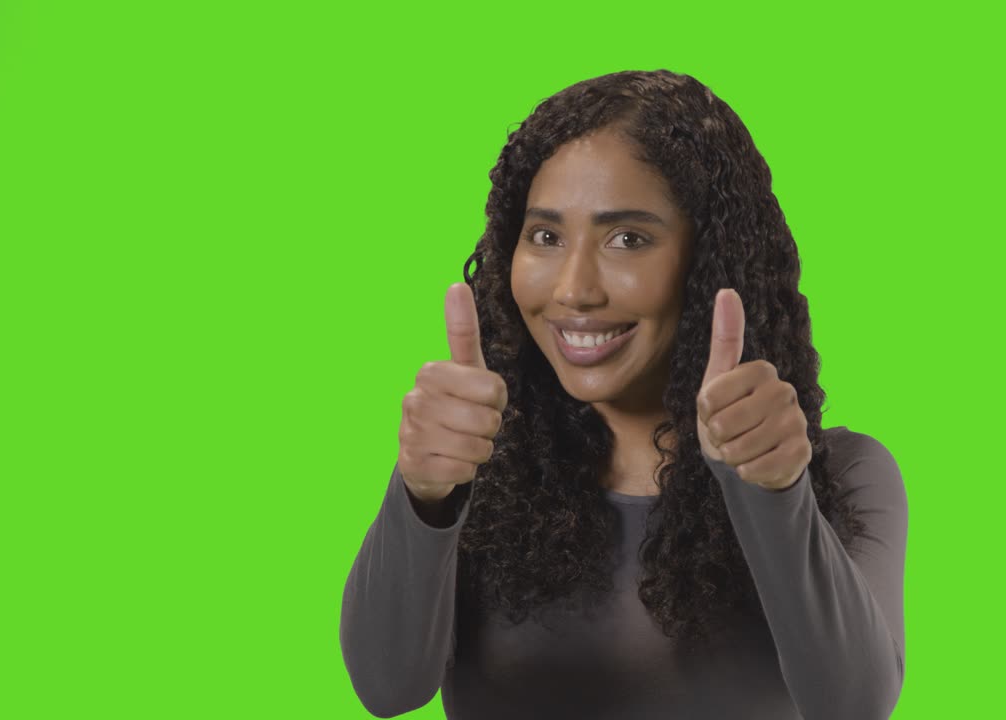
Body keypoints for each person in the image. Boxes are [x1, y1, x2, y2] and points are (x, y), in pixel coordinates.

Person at [339, 69, 908, 719]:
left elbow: (854, 706)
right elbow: (387, 689)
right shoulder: (477, 459)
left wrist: (771, 492)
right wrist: (424, 495)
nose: (575, 290)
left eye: (628, 239)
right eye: (546, 236)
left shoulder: (846, 474)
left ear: (707, 262)